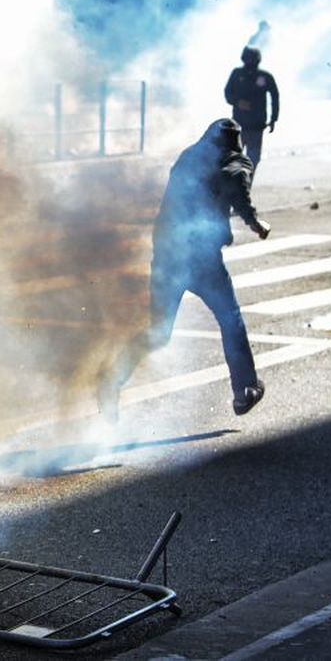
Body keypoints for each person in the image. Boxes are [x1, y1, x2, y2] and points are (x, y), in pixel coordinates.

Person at [98, 119, 270, 420]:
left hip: (167, 254)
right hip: (201, 259)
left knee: (158, 332)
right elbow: (237, 182)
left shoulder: (188, 157)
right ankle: (245, 389)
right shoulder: (233, 160)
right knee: (230, 321)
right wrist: (254, 221)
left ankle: (111, 380)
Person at [223, 46, 279, 167]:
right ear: (243, 58)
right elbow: (227, 93)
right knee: (235, 158)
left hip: (257, 125)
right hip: (239, 124)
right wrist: (237, 102)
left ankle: (245, 184)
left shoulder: (265, 76)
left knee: (253, 160)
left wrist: (274, 118)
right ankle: (236, 184)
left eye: (253, 59)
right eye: (248, 58)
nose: (250, 61)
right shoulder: (237, 73)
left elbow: (275, 97)